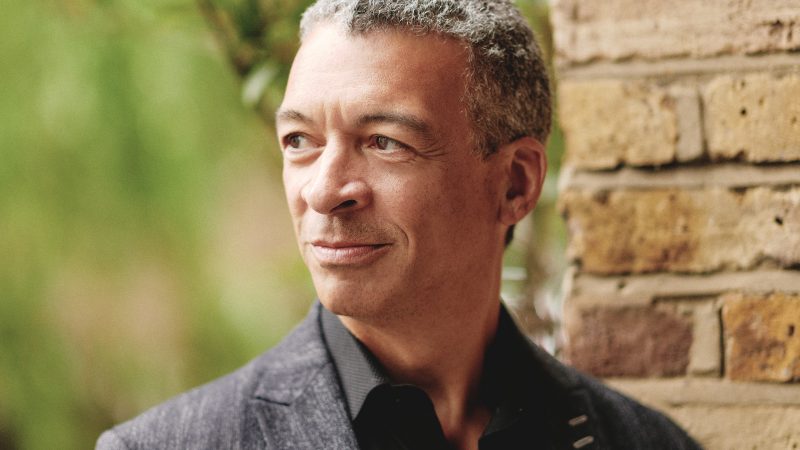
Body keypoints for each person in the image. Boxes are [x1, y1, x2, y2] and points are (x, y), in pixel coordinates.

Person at [97, 1, 702, 449]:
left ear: (515, 184)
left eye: (385, 142)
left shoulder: (645, 444)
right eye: (300, 140)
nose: (323, 192)